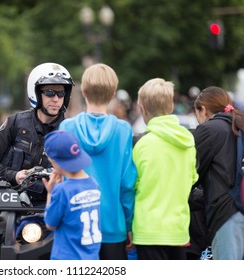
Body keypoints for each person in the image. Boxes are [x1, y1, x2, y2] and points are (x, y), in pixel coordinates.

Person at [59, 63, 137, 260]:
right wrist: (129, 225)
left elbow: (61, 178)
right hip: (112, 225)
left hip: (76, 225)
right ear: (113, 94)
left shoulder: (67, 127)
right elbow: (127, 184)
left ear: (83, 91)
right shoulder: (123, 130)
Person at [0, 62, 74, 202]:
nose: (56, 99)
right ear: (35, 93)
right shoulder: (16, 122)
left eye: (61, 93)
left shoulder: (69, 130)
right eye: (50, 93)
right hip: (10, 202)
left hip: (49, 204)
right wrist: (13, 175)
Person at [131, 78, 198, 260]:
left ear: (143, 109)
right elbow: (192, 179)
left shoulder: (142, 145)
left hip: (148, 230)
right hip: (178, 229)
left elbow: (132, 184)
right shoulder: (188, 142)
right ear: (170, 107)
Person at [193, 86, 244, 260]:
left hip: (227, 215)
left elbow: (192, 173)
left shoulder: (210, 129)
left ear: (203, 110)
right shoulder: (239, 123)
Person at [42, 130, 101, 260]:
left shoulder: (62, 190)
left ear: (54, 162)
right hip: (92, 257)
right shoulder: (93, 183)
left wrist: (50, 193)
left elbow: (50, 224)